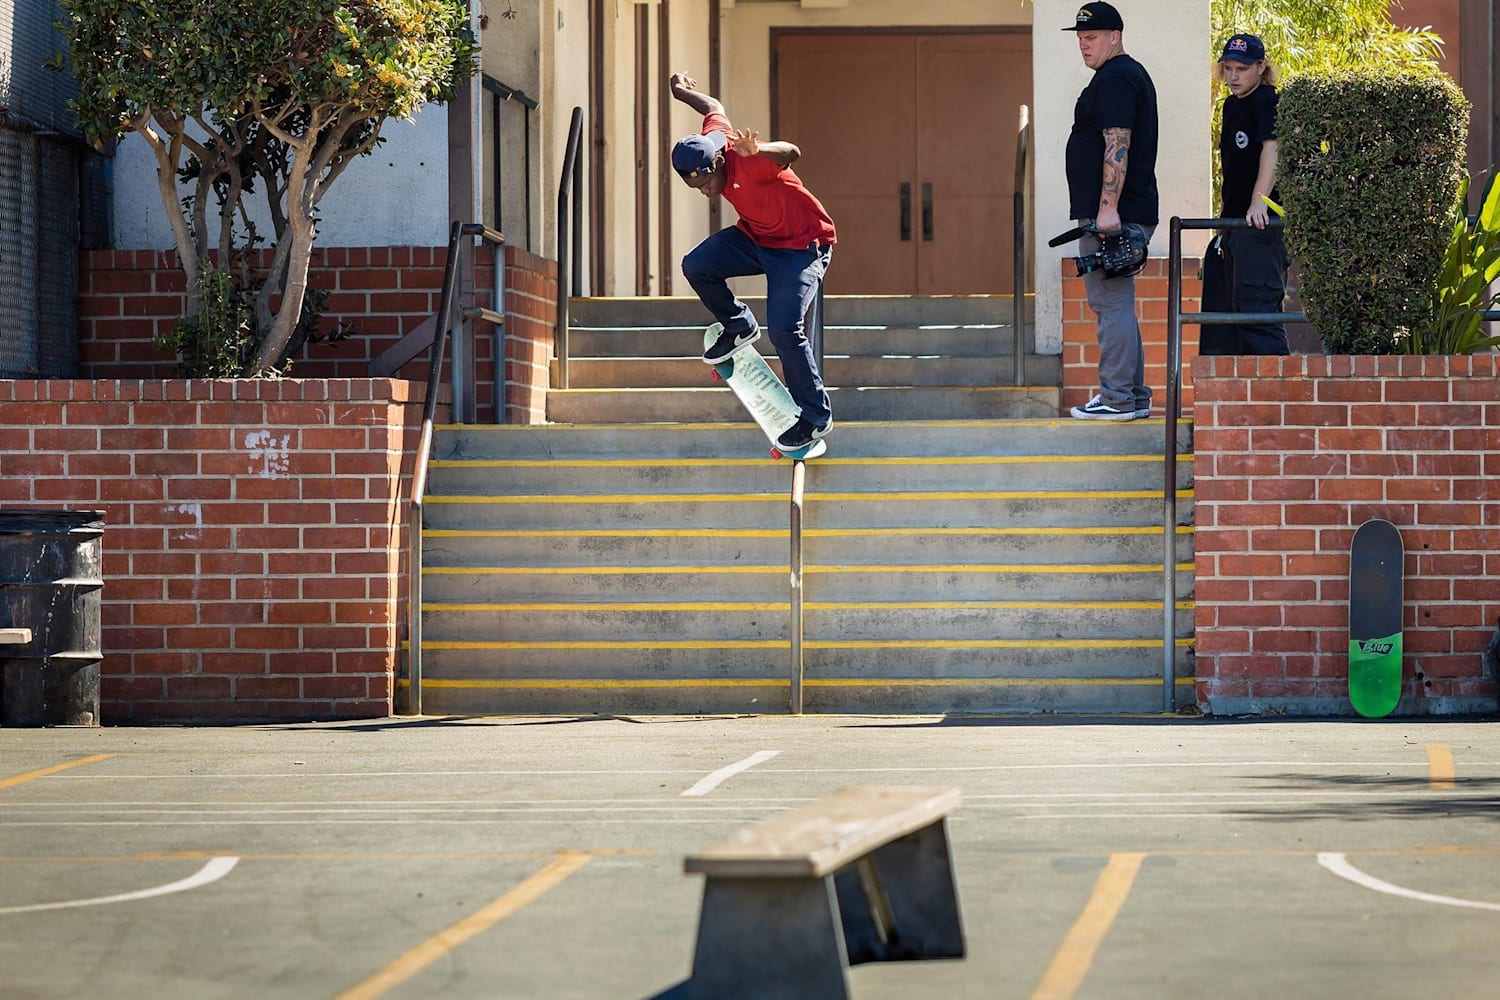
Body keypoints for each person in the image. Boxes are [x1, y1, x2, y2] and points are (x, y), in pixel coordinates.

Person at [668, 72, 837, 451]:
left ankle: (814, 417)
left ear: (716, 165)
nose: (706, 192)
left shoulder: (749, 160)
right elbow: (713, 107)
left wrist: (759, 150)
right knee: (697, 265)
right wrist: (680, 92)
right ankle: (739, 324)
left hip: (802, 246)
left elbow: (793, 151)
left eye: (706, 185)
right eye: (696, 189)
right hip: (757, 237)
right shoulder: (711, 136)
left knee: (784, 328)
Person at [1062, 2, 1159, 422]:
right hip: (1121, 211)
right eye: (1081, 39)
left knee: (1110, 304)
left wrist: (1106, 209)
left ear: (1114, 37)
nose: (1084, 46)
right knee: (1118, 302)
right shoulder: (1117, 75)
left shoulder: (1118, 77)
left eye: (1092, 38)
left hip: (1115, 215)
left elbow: (1116, 141)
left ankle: (1117, 397)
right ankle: (1133, 395)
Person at [1202, 33, 1289, 356]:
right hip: (1236, 225)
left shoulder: (1267, 100)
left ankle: (1283, 399)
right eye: (1228, 68)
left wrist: (1259, 202)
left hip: (1260, 224)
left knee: (1258, 316)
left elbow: (1273, 147)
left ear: (1261, 67)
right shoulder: (1231, 105)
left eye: (1241, 68)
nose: (1233, 76)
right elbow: (1233, 169)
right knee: (1233, 320)